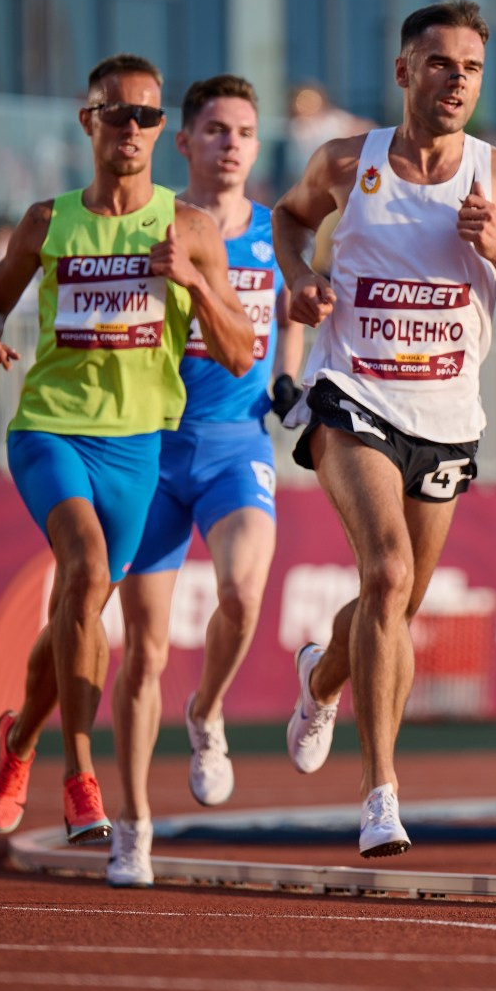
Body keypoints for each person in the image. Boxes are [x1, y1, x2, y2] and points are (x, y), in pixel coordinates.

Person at [273, 0, 496, 857]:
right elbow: (288, 218)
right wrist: (299, 279)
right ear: (404, 70)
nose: (456, 80)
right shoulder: (346, 161)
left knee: (396, 601)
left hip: (446, 416)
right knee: (389, 569)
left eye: (471, 67)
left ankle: (320, 678)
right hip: (353, 393)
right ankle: (381, 793)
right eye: (440, 63)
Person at [0, 53, 253, 888]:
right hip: (51, 430)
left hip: (138, 446)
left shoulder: (190, 227)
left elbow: (241, 351)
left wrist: (193, 280)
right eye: (117, 113)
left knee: (78, 610)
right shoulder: (46, 221)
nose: (132, 128)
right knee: (86, 569)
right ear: (87, 120)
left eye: (147, 116)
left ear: (162, 130)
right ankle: (80, 775)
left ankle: (20, 737)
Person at [139, 74, 304, 807]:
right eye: (214, 130)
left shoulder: (275, 232)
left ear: (257, 147)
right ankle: (129, 811)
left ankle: (206, 713)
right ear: (183, 141)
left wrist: (289, 378)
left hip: (237, 443)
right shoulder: (155, 224)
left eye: (243, 132)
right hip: (152, 447)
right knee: (143, 646)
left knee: (242, 594)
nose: (230, 144)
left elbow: (292, 313)